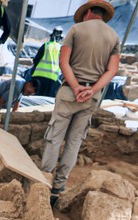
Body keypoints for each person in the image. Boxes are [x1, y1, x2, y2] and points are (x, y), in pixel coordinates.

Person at [41, 0, 120, 205]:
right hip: (92, 95)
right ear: (102, 15)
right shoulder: (113, 37)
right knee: (74, 142)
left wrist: (76, 86)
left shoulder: (76, 29)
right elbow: (112, 71)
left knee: (54, 137)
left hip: (70, 91)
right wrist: (92, 90)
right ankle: (58, 188)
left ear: (87, 13)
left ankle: (44, 182)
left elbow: (63, 61)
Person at [27, 27, 64, 98]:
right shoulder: (61, 48)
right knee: (46, 99)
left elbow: (36, 60)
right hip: (53, 78)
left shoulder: (46, 45)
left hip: (39, 76)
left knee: (35, 97)